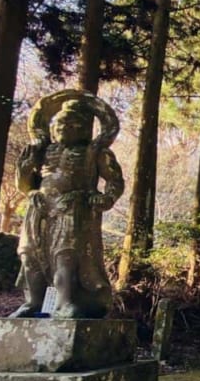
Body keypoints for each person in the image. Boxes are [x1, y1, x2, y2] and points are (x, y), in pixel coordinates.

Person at [10, 90, 124, 319]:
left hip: (72, 207)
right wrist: (26, 172)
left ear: (84, 129)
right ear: (52, 128)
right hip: (40, 205)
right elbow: (24, 184)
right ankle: (34, 302)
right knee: (30, 255)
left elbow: (115, 180)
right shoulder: (43, 151)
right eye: (61, 125)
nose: (66, 129)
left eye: (74, 125)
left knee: (66, 255)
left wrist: (105, 198)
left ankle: (65, 302)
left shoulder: (94, 152)